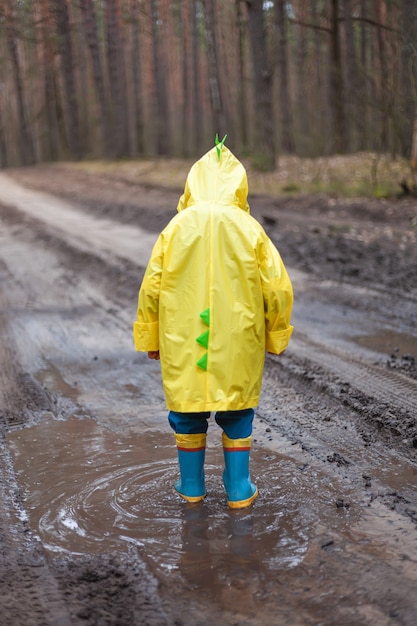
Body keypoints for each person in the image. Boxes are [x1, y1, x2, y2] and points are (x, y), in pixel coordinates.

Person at [133, 138, 293, 509]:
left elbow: (151, 286)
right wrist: (276, 333)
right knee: (237, 411)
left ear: (193, 183)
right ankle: (238, 488)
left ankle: (191, 487)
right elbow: (278, 288)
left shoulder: (175, 228)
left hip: (183, 336)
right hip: (238, 337)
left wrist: (150, 336)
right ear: (239, 185)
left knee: (187, 411)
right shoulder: (250, 229)